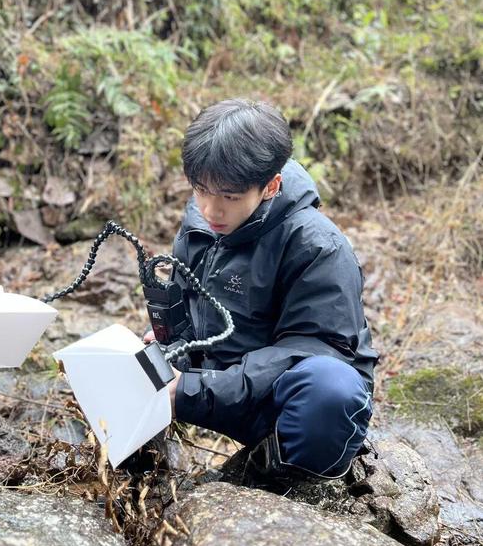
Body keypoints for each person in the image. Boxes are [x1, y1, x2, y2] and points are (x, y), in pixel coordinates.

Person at [148, 98, 378, 487]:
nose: (211, 210)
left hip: (283, 407)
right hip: (217, 386)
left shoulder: (317, 246)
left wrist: (192, 390)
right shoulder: (202, 224)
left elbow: (312, 349)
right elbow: (191, 317)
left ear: (271, 186)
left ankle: (281, 484)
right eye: (201, 190)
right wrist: (169, 346)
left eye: (230, 197)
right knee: (120, 363)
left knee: (330, 389)